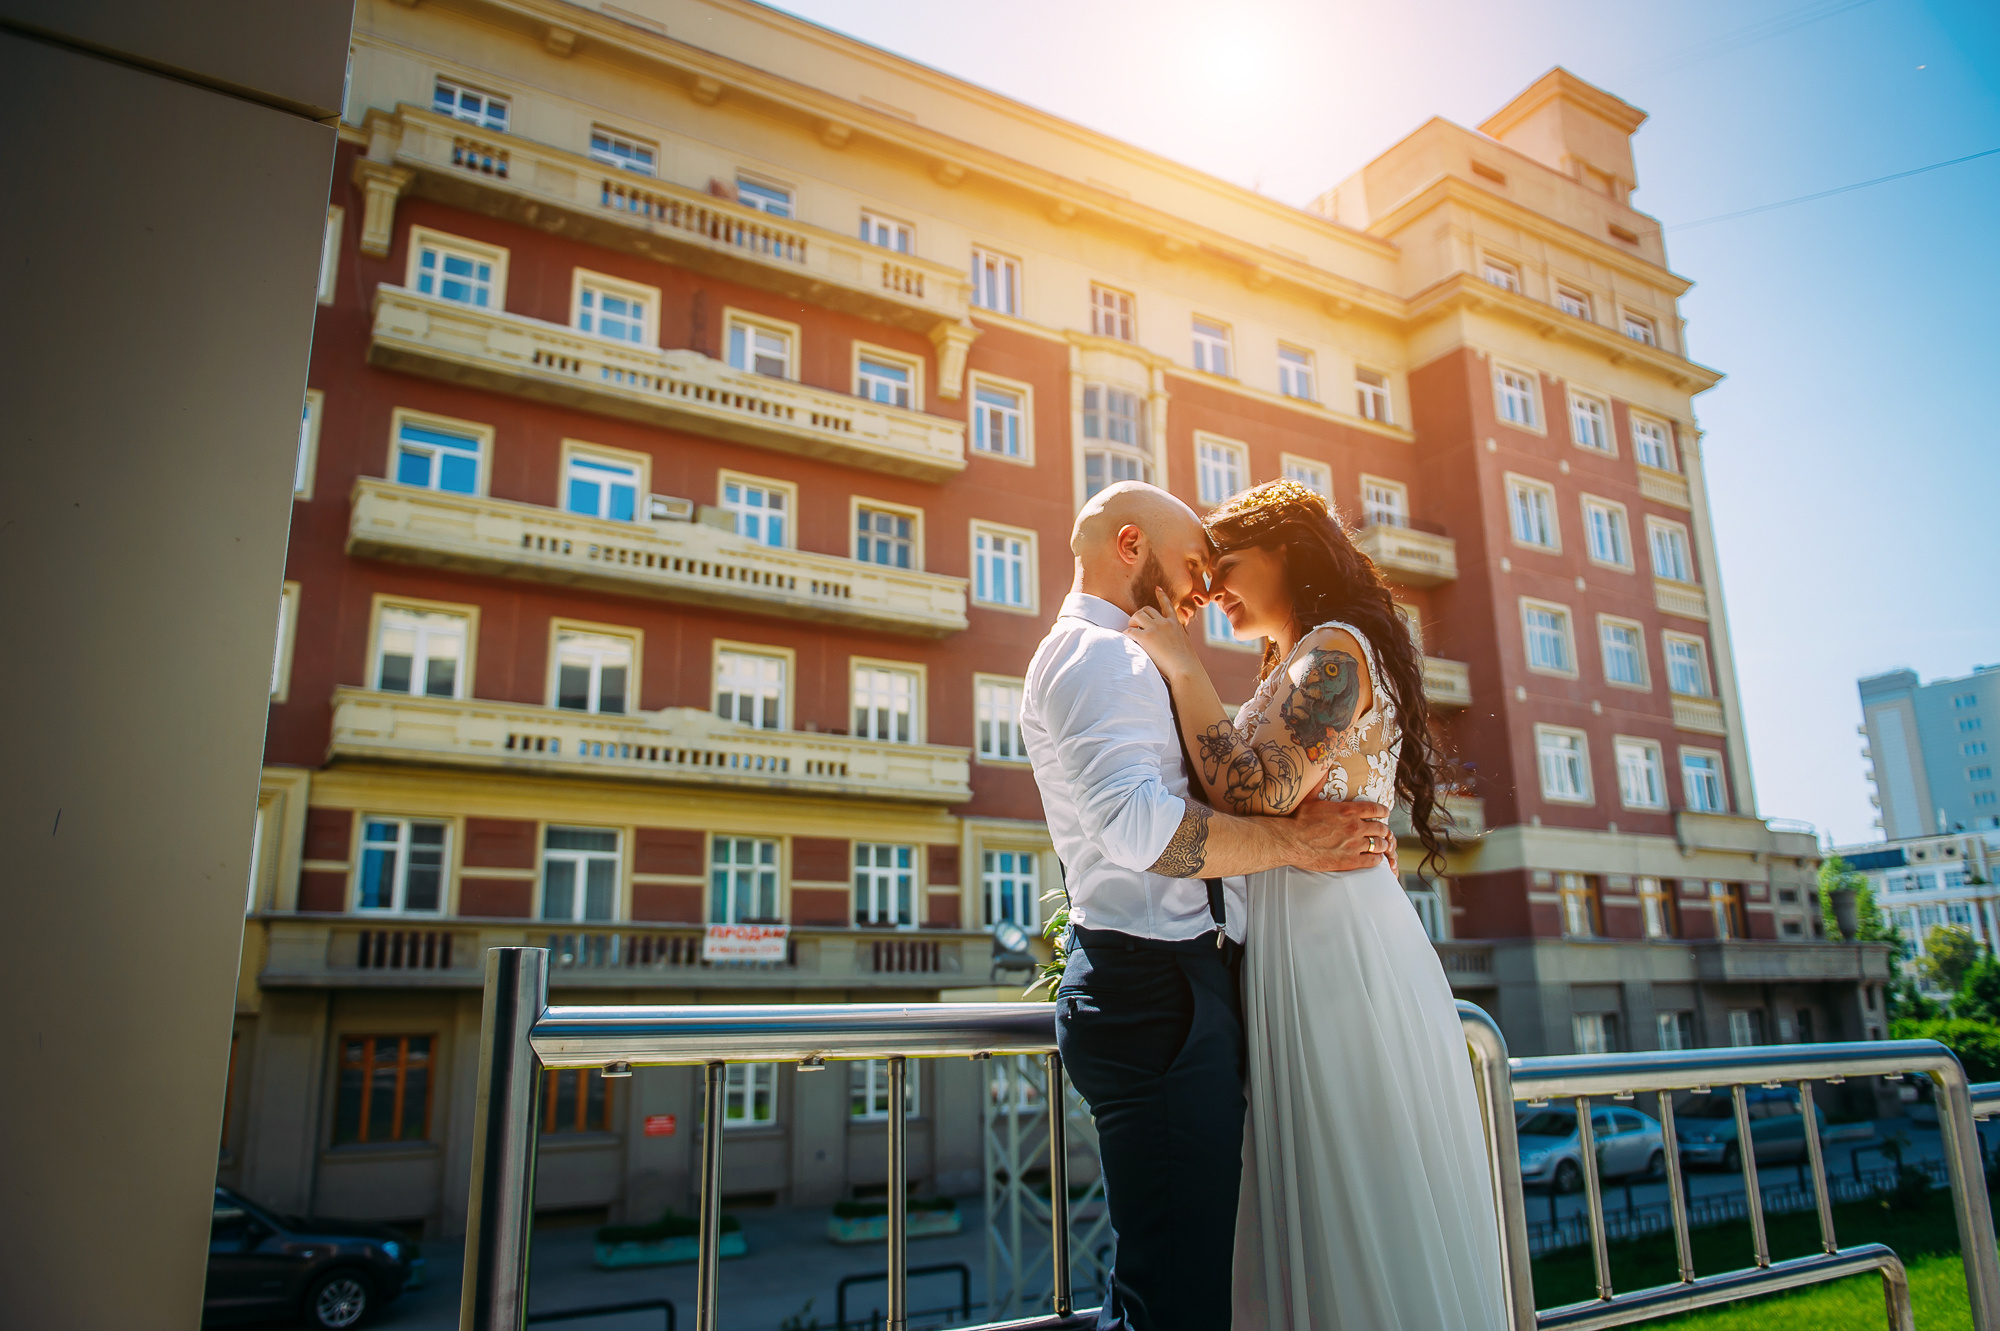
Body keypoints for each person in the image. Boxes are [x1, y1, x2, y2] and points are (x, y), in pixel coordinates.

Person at [1124, 477, 1508, 1330]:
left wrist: (1181, 664)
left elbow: (1253, 787)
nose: (1211, 585)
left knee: (1356, 1185)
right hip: (1303, 941)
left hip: (1340, 953)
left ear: (1288, 551)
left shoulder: (1334, 650)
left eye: (1226, 563)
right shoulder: (1299, 656)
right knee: (1320, 1192)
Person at [1019, 481, 1394, 1331]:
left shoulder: (1132, 654)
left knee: (1192, 1285)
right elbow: (1137, 826)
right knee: (1175, 1302)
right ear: (1128, 546)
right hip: (1154, 994)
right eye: (1193, 564)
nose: (1201, 588)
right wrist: (1299, 843)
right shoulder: (1098, 656)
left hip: (1180, 989)